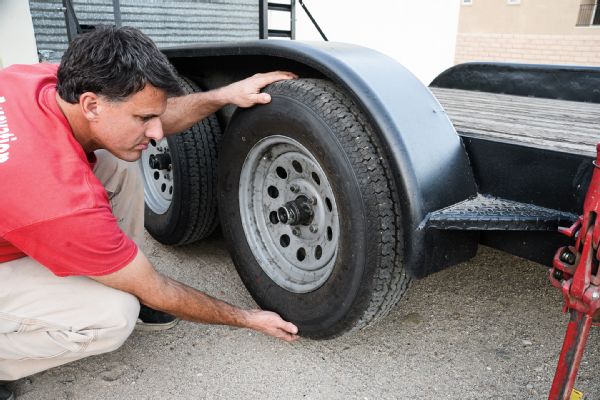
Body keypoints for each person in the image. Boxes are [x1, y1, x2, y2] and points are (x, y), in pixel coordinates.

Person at [0, 26, 299, 399]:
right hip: (24, 219)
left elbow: (140, 114)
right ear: (91, 105)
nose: (157, 133)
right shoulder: (58, 199)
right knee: (115, 314)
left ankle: (109, 267)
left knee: (119, 161)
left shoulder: (41, 81)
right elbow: (158, 289)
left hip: (18, 208)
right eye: (144, 119)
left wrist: (226, 95)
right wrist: (248, 319)